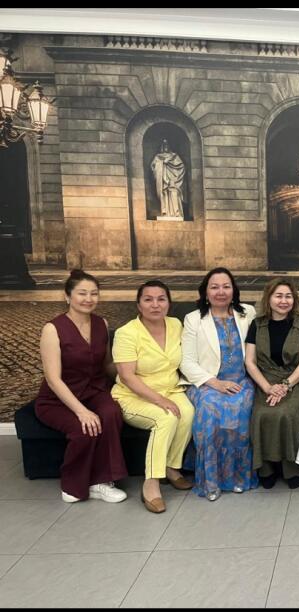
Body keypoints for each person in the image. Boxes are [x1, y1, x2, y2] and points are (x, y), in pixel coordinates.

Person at [34, 270, 128, 504]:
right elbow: (54, 380)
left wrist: (133, 370)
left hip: (94, 390)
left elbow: (106, 364)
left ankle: (102, 482)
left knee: (111, 412)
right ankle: (73, 485)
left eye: (94, 294)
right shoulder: (52, 329)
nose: (89, 299)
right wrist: (81, 411)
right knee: (83, 427)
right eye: (82, 293)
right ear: (67, 297)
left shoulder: (101, 323)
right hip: (57, 399)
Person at [112, 280, 195, 514]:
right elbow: (127, 377)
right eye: (148, 299)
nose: (155, 305)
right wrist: (159, 401)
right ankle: (151, 483)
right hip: (133, 396)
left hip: (170, 389)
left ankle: (171, 467)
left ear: (169, 303)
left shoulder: (176, 325)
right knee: (166, 418)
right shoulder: (127, 333)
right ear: (139, 304)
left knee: (188, 412)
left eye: (161, 299)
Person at [181, 268, 258, 501]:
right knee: (211, 411)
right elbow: (186, 361)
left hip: (242, 381)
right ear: (206, 292)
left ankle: (237, 478)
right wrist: (215, 383)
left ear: (233, 290)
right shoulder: (194, 319)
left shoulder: (248, 313)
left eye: (226, 286)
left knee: (241, 410)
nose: (221, 291)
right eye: (214, 287)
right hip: (206, 383)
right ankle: (211, 482)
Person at [244, 279, 299, 490]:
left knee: (286, 412)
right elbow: (250, 361)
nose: (283, 301)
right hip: (264, 380)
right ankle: (267, 468)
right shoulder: (257, 324)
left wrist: (285, 385)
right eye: (278, 296)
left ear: (294, 300)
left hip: (295, 381)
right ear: (269, 298)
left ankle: (293, 467)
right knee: (261, 413)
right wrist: (267, 387)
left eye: (288, 296)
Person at [150, 139, 185, 218]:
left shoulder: (174, 156)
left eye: (167, 145)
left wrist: (169, 163)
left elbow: (181, 166)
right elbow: (153, 167)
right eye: (164, 145)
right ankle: (165, 212)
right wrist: (161, 163)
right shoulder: (158, 157)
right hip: (163, 179)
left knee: (174, 192)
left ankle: (176, 212)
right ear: (161, 147)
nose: (166, 147)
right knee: (164, 194)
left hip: (173, 178)